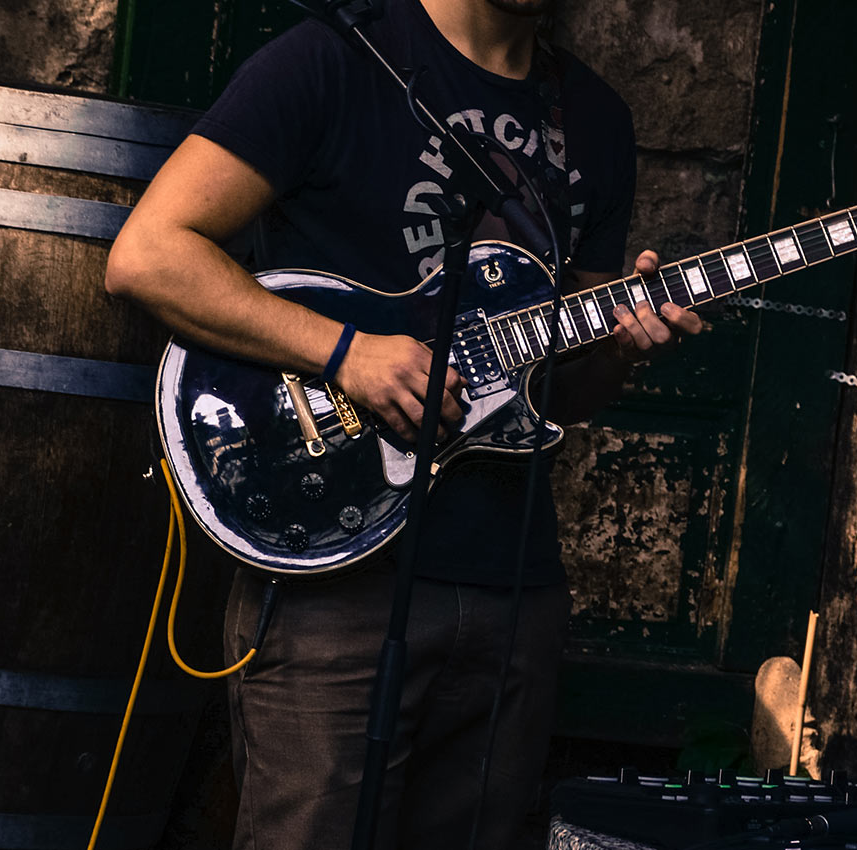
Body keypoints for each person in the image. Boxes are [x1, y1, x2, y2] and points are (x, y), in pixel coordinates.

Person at [104, 1, 701, 847]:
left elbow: (559, 395)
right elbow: (149, 256)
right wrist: (346, 352)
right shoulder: (333, 61)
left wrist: (621, 350)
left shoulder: (596, 118)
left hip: (511, 587)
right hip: (336, 576)